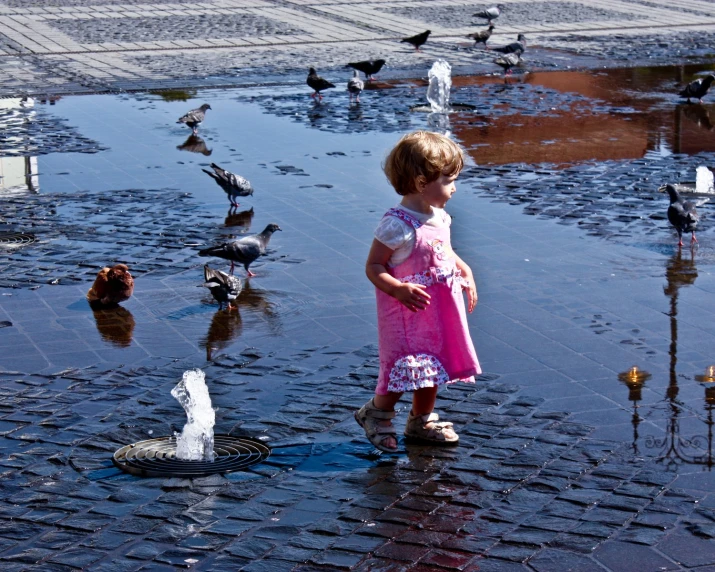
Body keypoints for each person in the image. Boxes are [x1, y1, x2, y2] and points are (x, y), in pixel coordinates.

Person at [355, 131, 481, 453]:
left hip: (438, 312)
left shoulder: (439, 217)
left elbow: (444, 250)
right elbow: (374, 266)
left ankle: (420, 420)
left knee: (433, 368)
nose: (454, 187)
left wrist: (463, 269)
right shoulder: (396, 225)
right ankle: (377, 414)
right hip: (408, 316)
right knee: (405, 369)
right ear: (422, 181)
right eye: (449, 179)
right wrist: (397, 288)